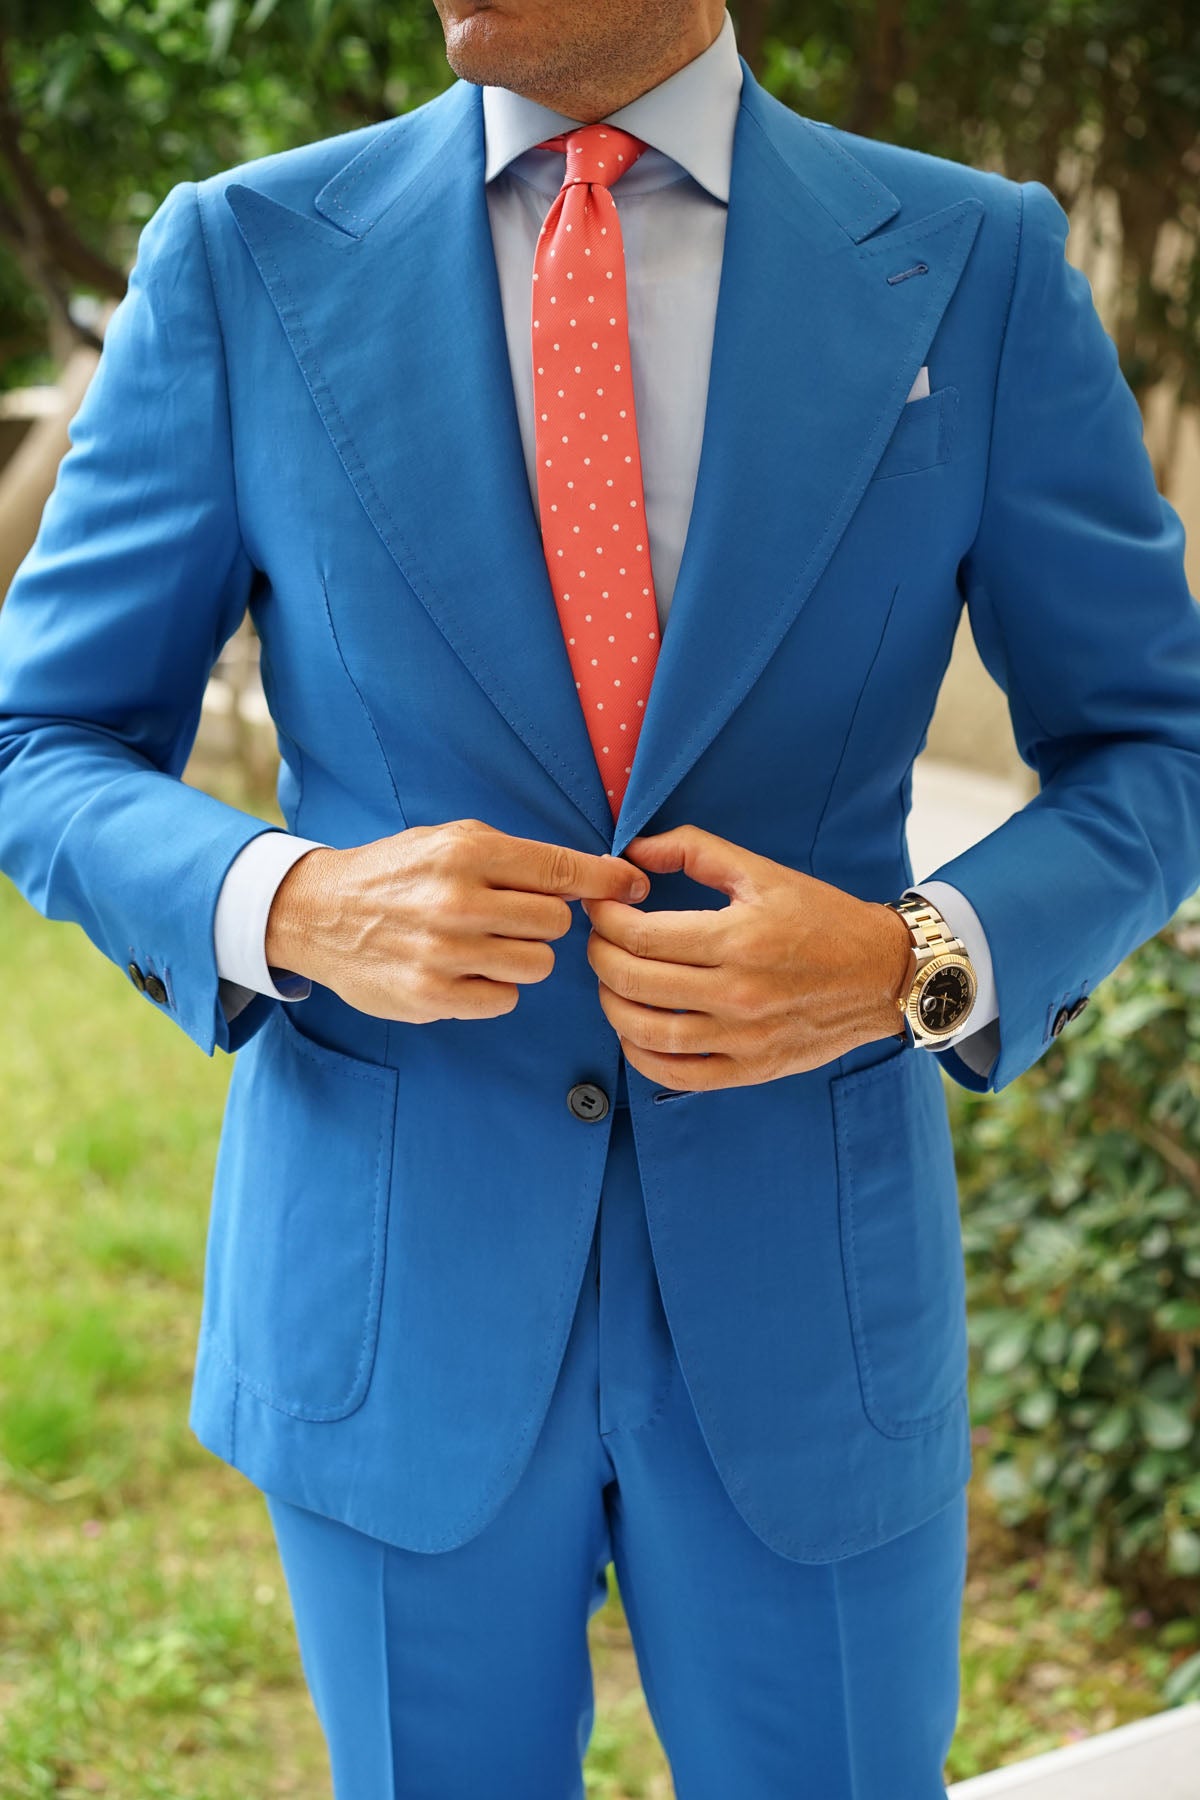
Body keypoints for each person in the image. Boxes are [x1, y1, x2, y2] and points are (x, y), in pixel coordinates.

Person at [1, 2, 1198, 1794]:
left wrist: (913, 959)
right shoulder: (241, 256)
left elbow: (1154, 745)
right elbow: (46, 737)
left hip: (816, 1302)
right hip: (396, 1293)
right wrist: (289, 898)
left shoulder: (974, 264)